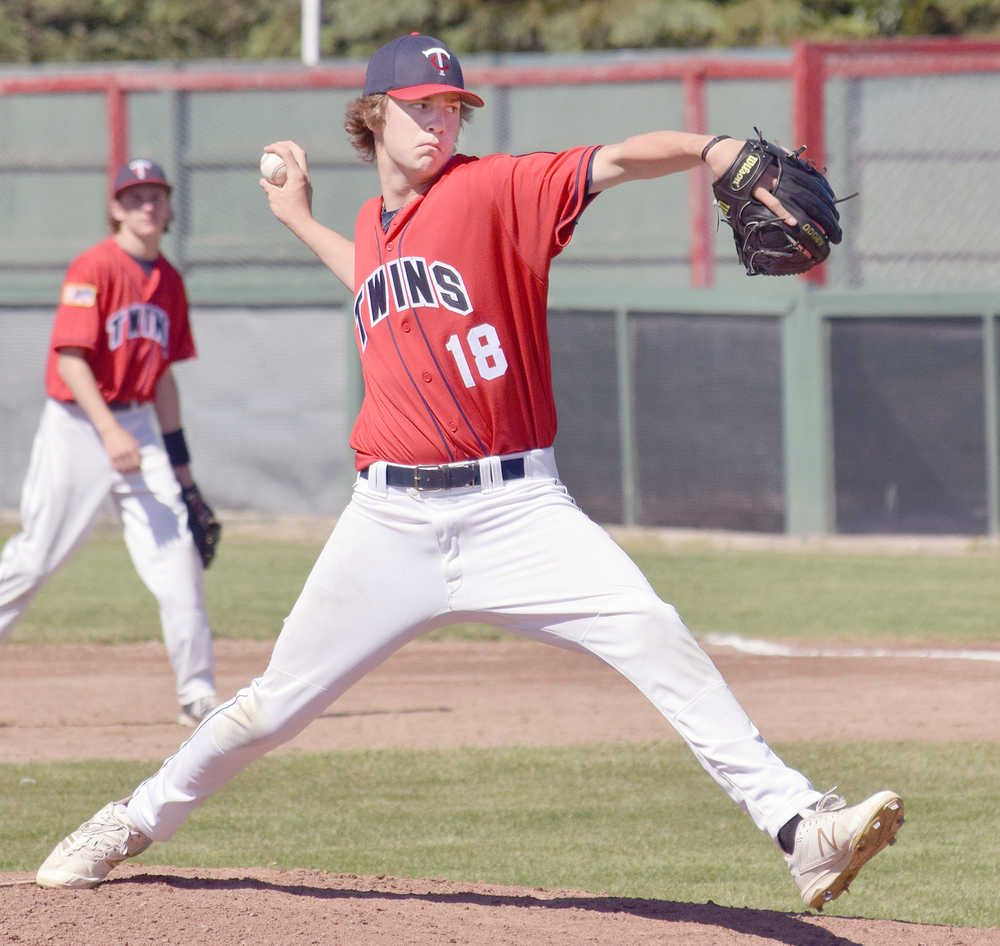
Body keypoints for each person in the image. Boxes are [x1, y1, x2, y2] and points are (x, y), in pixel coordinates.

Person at [36, 37, 903, 909]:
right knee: (273, 707)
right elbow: (374, 277)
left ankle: (801, 828)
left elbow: (618, 159)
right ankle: (131, 819)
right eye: (420, 107)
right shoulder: (378, 226)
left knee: (653, 632)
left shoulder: (496, 190)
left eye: (450, 108)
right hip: (387, 523)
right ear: (374, 116)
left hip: (519, 508)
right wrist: (299, 220)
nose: (439, 123)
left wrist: (712, 149)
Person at [0, 159, 219, 728]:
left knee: (178, 557)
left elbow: (163, 377)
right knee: (37, 557)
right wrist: (109, 430)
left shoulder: (169, 281)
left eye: (156, 196)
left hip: (138, 423)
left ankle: (197, 692)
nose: (147, 205)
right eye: (135, 196)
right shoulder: (93, 267)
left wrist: (185, 475)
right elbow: (70, 361)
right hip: (79, 423)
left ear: (169, 208)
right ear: (116, 208)